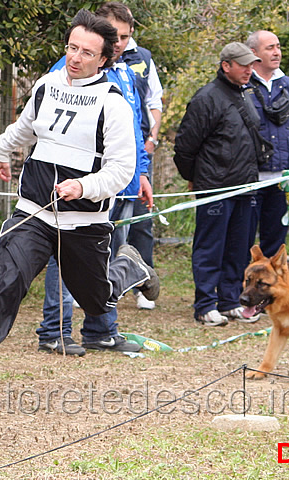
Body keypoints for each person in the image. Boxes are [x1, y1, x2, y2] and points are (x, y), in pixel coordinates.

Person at [0, 9, 159, 354]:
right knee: (8, 282)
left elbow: (120, 170)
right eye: (72, 48)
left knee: (98, 301)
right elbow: (25, 129)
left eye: (87, 52)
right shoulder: (46, 86)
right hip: (33, 213)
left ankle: (129, 265)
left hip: (83, 224)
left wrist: (82, 187)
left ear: (103, 59)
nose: (76, 57)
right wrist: (1, 152)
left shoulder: (113, 104)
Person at [38, 2, 153, 355]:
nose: (119, 44)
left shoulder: (126, 74)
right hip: (78, 185)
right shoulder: (70, 70)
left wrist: (143, 171)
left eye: (125, 38)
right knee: (67, 257)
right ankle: (55, 329)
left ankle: (101, 329)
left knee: (99, 259)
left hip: (121, 183)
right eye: (114, 37)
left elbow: (135, 130)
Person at [173, 42, 262, 327]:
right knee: (210, 247)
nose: (249, 70)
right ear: (226, 66)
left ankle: (230, 300)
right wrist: (194, 179)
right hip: (215, 187)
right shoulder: (207, 98)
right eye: (244, 65)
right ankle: (204, 305)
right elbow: (185, 147)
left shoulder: (246, 94)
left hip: (245, 186)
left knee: (240, 246)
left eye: (251, 65)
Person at [246, 30, 289, 258]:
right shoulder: (243, 84)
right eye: (270, 47)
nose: (277, 52)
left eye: (278, 47)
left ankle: (271, 291)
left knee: (276, 243)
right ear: (254, 53)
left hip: (282, 180)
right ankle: (240, 290)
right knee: (243, 240)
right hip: (250, 179)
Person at [120, 4, 164, 311]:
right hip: (106, 156)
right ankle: (103, 285)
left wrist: (151, 139)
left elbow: (154, 101)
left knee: (139, 221)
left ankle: (141, 284)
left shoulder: (143, 58)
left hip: (138, 154)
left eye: (124, 33)